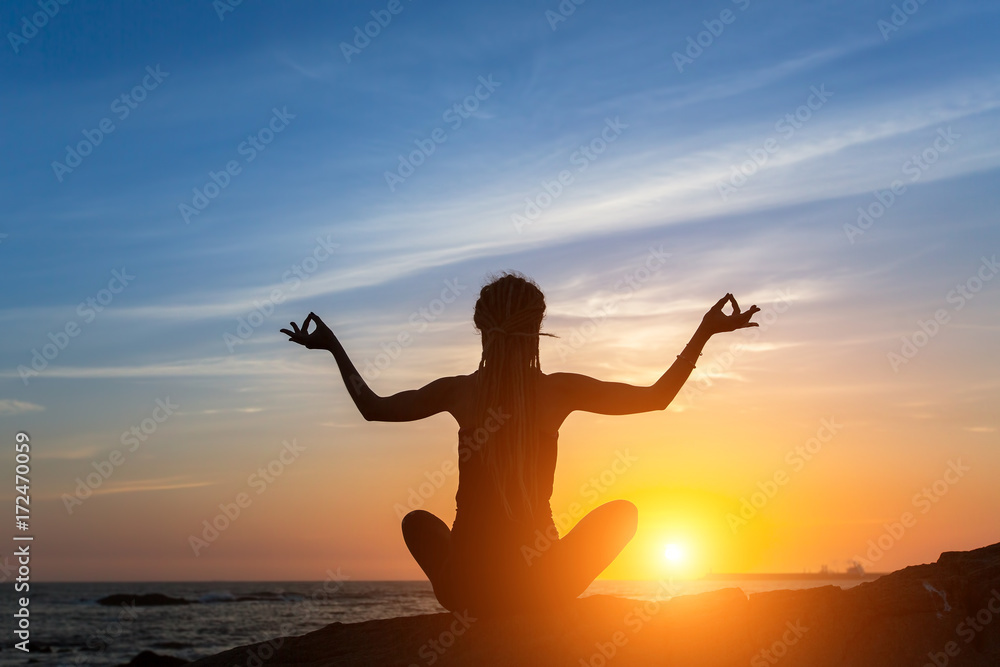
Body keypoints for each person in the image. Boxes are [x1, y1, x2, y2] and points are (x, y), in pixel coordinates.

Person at [281, 271, 759, 616]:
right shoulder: (556, 390)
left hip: (466, 587)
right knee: (624, 515)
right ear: (536, 329)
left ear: (481, 330)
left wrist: (333, 348)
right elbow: (657, 398)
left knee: (416, 522)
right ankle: (534, 604)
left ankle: (481, 603)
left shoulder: (459, 391)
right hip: (542, 587)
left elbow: (374, 407)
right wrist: (705, 332)